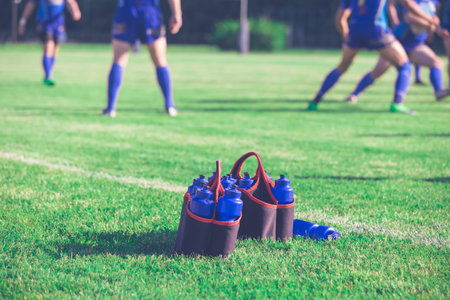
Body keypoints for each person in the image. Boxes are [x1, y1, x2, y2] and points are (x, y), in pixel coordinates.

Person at [308, 0, 439, 114]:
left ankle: (315, 101)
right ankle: (397, 103)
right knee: (404, 65)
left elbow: (340, 19)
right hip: (376, 30)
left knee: (342, 67)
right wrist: (429, 19)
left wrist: (347, 36)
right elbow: (409, 4)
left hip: (355, 30)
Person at [346, 0, 450, 104]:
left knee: (436, 62)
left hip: (415, 45)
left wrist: (436, 29)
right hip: (399, 42)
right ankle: (354, 94)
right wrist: (430, 23)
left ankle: (438, 91)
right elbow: (409, 17)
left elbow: (432, 24)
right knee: (378, 71)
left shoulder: (433, 3)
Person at [102, 0, 182, 118]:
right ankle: (169, 106)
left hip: (126, 11)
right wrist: (177, 13)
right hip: (150, 13)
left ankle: (110, 108)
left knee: (119, 60)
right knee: (160, 61)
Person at [18, 0, 82, 86]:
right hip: (44, 22)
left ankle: (50, 73)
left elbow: (71, 2)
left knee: (55, 50)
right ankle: (48, 76)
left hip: (58, 23)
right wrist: (23, 20)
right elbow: (31, 4)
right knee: (48, 46)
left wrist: (75, 11)